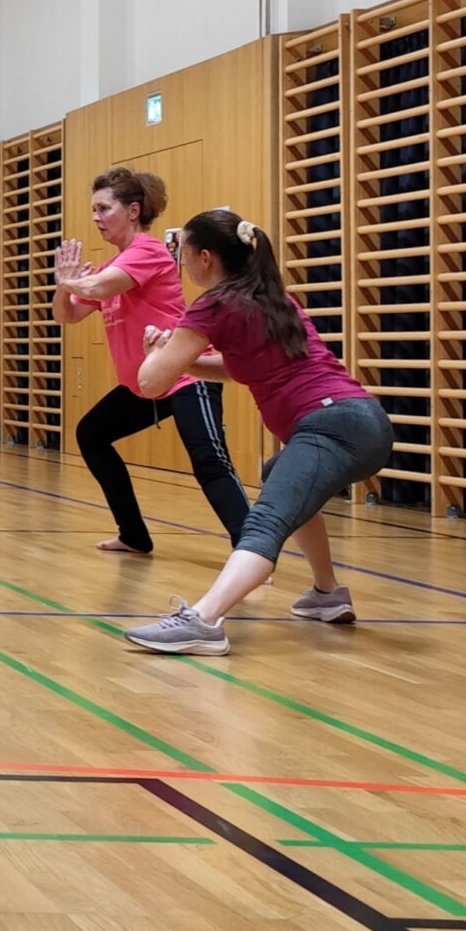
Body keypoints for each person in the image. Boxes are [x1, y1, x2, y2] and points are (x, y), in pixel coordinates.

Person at [121, 208, 393, 656]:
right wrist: (180, 357)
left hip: (329, 426)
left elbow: (151, 384)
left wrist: (157, 354)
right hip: (365, 421)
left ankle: (204, 620)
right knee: (278, 475)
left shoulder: (214, 304)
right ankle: (327, 593)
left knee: (265, 520)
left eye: (183, 251)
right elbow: (239, 368)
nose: (180, 261)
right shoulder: (273, 299)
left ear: (205, 257)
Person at [55, 167, 250, 554]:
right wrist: (64, 286)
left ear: (132, 211)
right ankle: (133, 535)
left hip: (186, 375)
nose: (95, 218)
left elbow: (98, 287)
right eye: (93, 210)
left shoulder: (147, 251)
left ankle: (253, 550)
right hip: (147, 384)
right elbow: (68, 315)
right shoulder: (112, 266)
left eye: (103, 209)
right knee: (92, 435)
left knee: (210, 461)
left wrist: (72, 280)